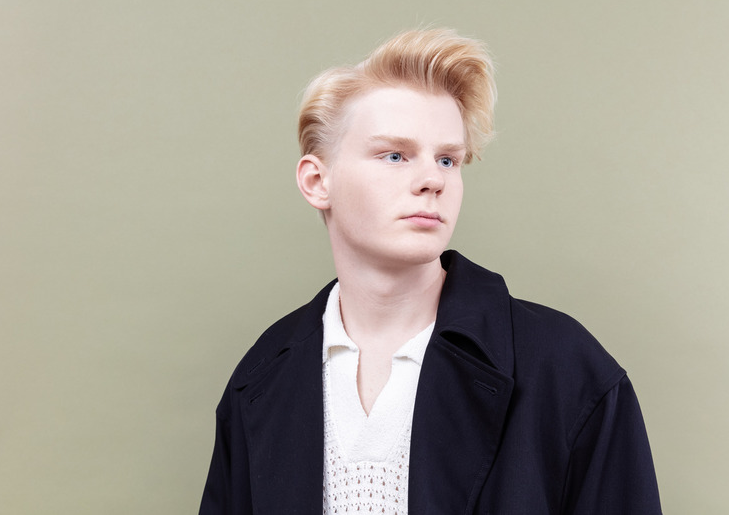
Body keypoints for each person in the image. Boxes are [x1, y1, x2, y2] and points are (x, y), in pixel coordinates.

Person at [199, 28, 662, 514]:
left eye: (447, 159)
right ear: (318, 181)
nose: (432, 180)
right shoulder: (259, 378)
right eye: (395, 155)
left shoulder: (567, 369)